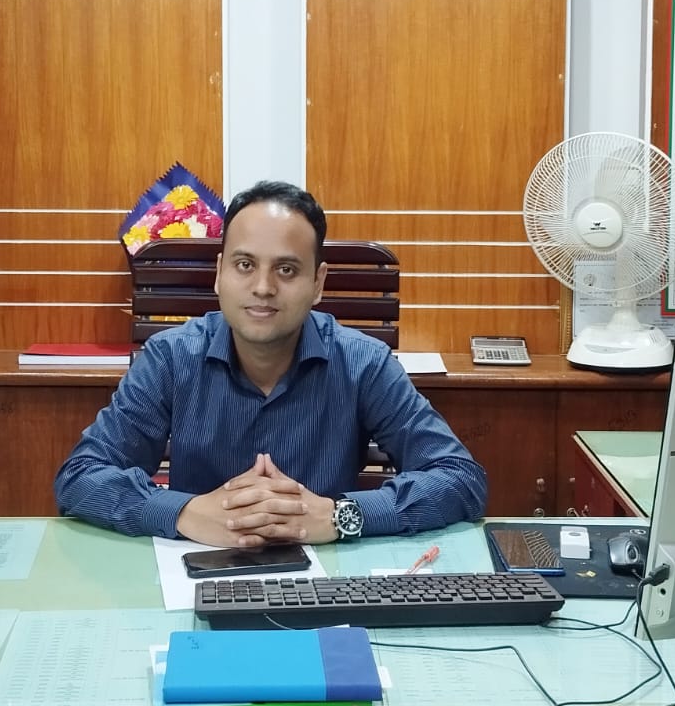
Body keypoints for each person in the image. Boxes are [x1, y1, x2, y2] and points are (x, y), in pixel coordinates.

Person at [54, 181, 487, 546]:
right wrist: (183, 512)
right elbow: (80, 477)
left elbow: (461, 479)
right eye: (245, 265)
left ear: (317, 283)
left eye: (286, 270)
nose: (263, 287)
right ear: (219, 273)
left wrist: (342, 516)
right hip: (195, 572)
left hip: (326, 582)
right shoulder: (170, 358)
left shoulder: (363, 363)